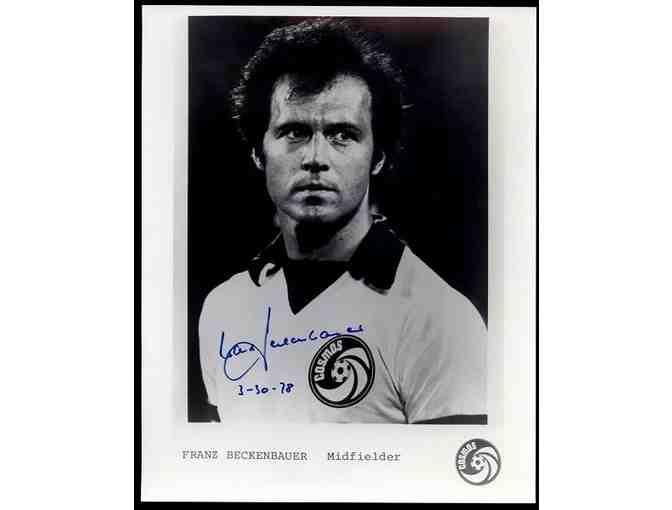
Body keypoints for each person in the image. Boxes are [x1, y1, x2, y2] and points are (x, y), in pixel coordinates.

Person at [198, 18, 487, 424]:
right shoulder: (223, 306)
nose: (316, 158)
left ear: (378, 157)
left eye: (343, 134)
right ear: (258, 153)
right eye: (294, 132)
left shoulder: (439, 319)